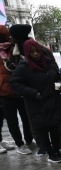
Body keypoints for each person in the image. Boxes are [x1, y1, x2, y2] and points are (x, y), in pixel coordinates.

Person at [9, 24, 61, 156]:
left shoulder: (39, 49)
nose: (11, 39)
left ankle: (58, 144)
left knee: (53, 120)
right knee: (35, 121)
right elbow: (14, 76)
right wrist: (26, 90)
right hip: (31, 94)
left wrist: (59, 84)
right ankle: (43, 145)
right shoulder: (15, 51)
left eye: (13, 36)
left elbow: (53, 69)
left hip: (47, 91)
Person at [0, 25, 32, 155]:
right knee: (11, 119)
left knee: (25, 117)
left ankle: (29, 140)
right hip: (4, 91)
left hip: (18, 88)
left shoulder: (16, 48)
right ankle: (20, 143)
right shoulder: (15, 48)